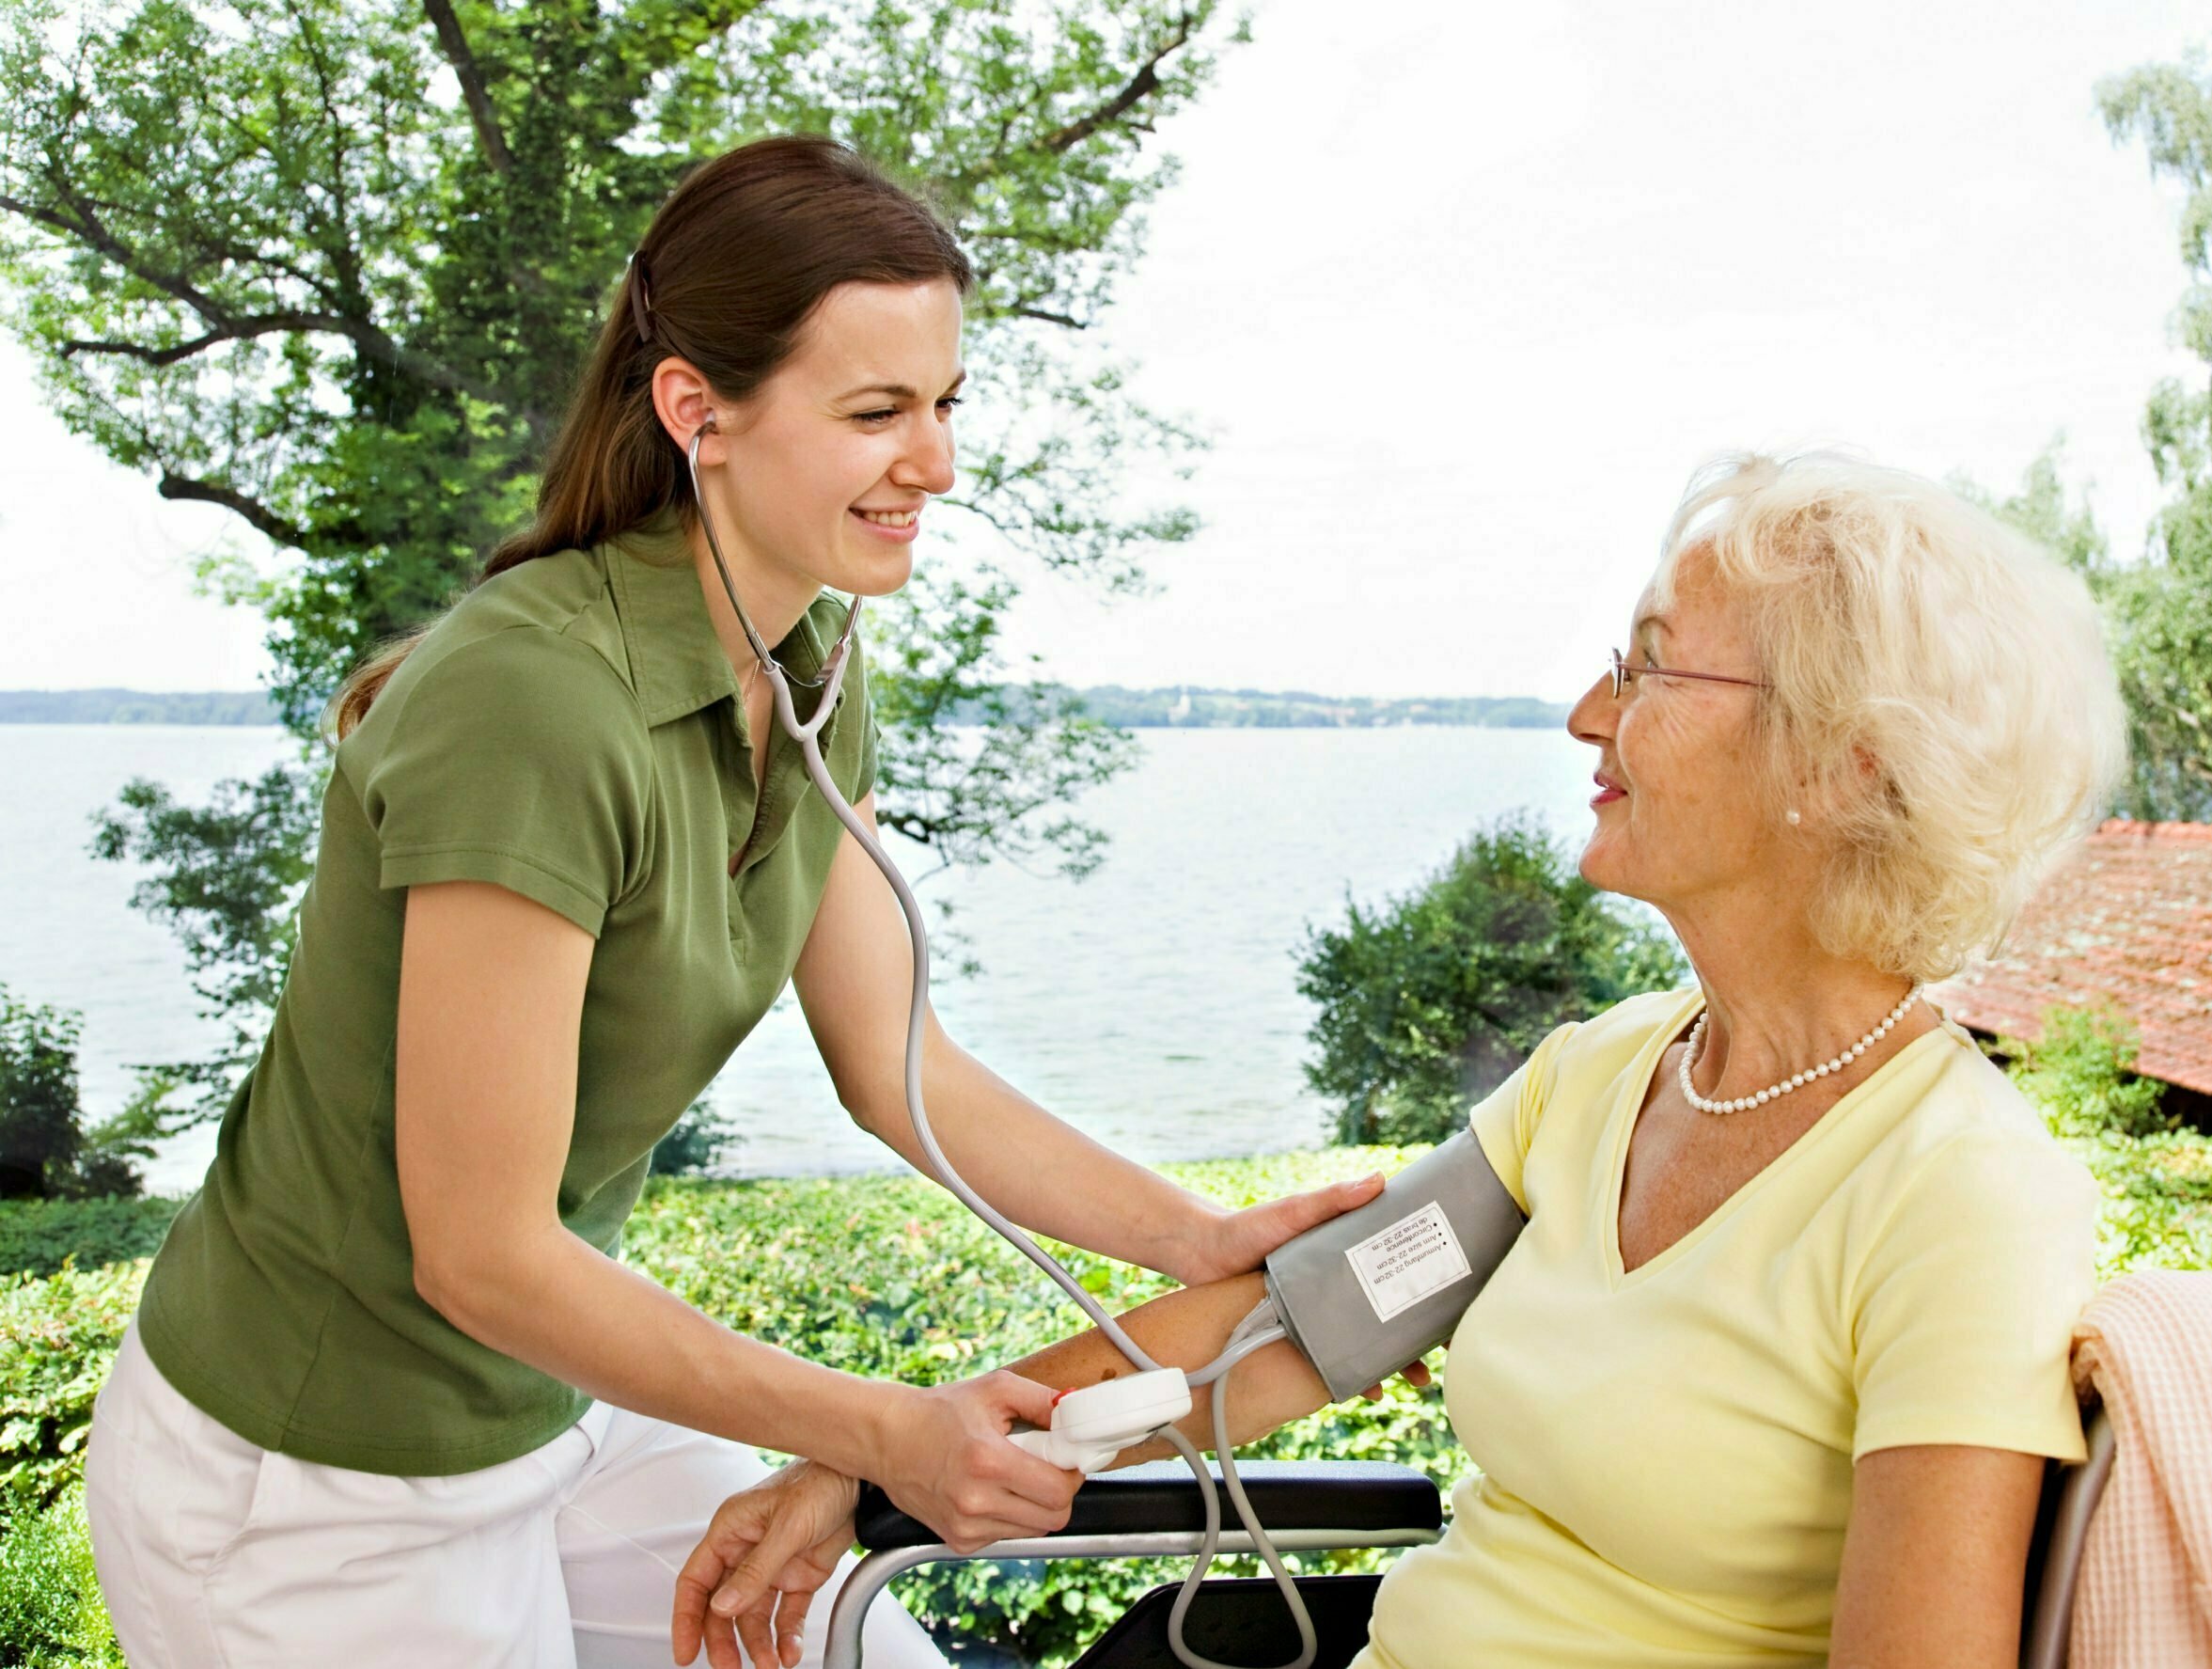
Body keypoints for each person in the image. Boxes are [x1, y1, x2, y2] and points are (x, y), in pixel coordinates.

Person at [81, 134, 1394, 1669]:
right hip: (313, 1484)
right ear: (698, 412)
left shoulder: (817, 671)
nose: (940, 464)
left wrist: (1200, 1236)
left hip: (547, 1419)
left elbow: (904, 1070)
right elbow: (481, 1251)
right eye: (877, 413)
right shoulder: (532, 701)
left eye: (946, 403)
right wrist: (890, 1433)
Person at [684, 451, 2127, 1669]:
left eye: (1651, 667)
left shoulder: (1962, 1200)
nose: (1585, 714)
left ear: (1841, 765)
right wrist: (875, 1461)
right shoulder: (1608, 1072)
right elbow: (1295, 1329)